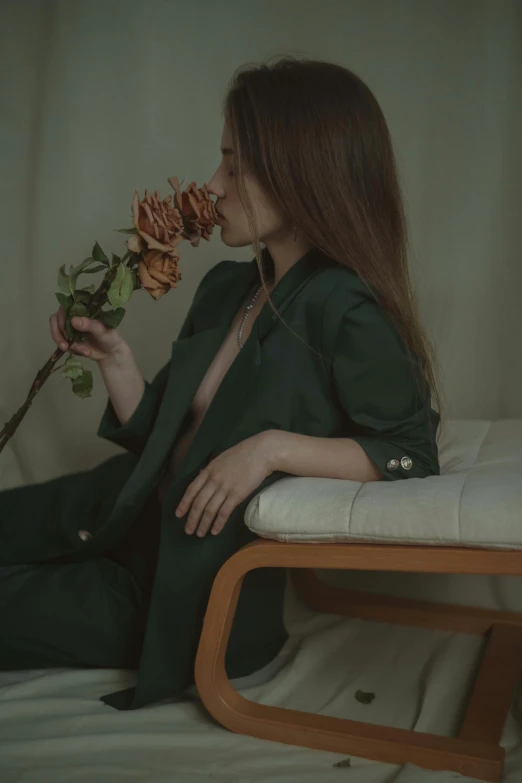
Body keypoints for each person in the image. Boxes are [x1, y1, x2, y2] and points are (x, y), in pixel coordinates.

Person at [0, 57, 445, 711]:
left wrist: (270, 448)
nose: (212, 186)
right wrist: (116, 360)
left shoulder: (343, 310)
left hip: (178, 591)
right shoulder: (225, 288)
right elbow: (172, 438)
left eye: (234, 166)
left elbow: (411, 450)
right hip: (116, 509)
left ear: (301, 175)